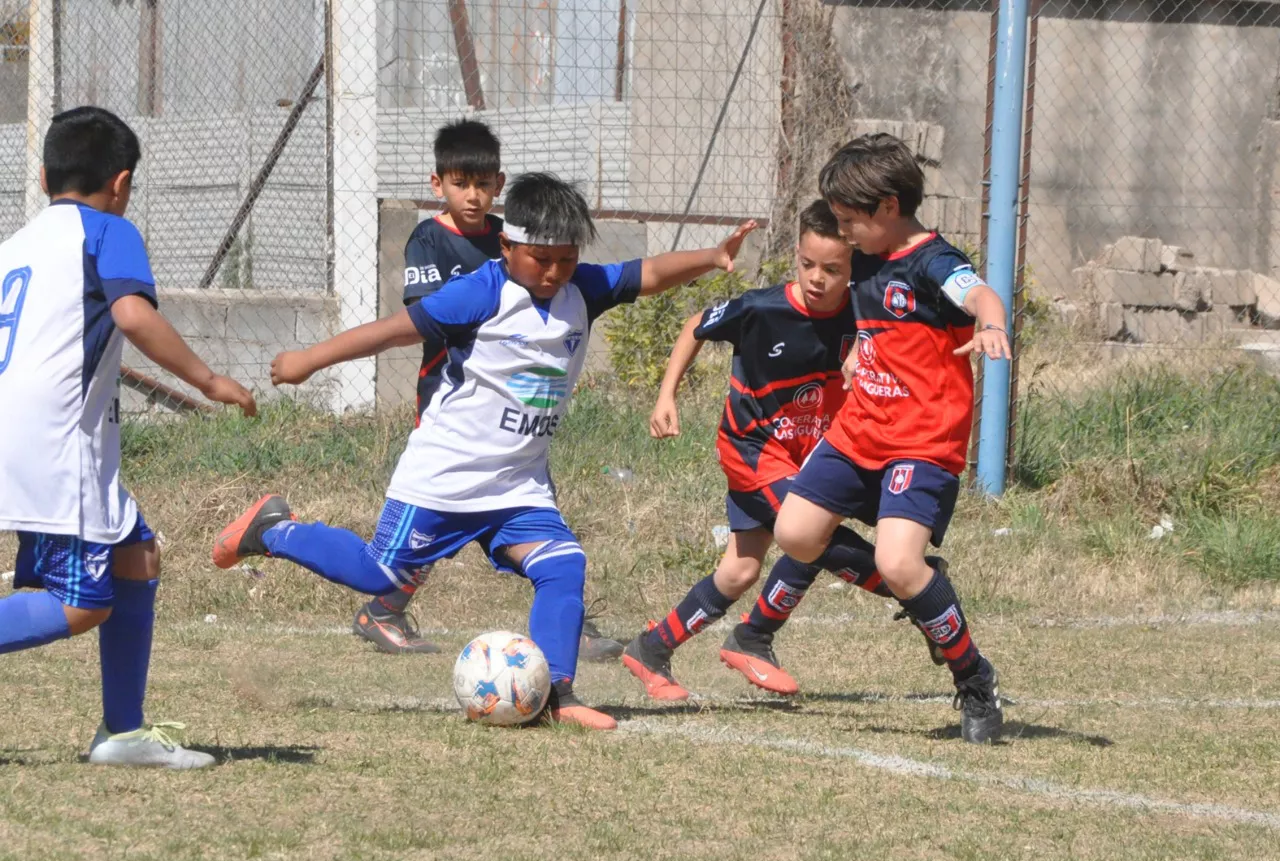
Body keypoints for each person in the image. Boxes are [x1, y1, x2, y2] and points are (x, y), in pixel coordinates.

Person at [213, 172, 756, 730]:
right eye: (540, 258)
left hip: (517, 486)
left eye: (566, 260)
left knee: (563, 565)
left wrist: (712, 255)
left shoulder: (581, 290)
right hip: (444, 476)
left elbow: (646, 274)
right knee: (380, 576)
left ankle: (557, 695)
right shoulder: (482, 291)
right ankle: (273, 529)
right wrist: (311, 358)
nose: (553, 272)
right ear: (506, 245)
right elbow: (394, 331)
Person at [0, 106, 256, 767]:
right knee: (83, 605)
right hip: (58, 445)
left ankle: (122, 732)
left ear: (43, 175)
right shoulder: (105, 231)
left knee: (136, 552)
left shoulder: (17, 246)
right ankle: (119, 731)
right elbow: (132, 313)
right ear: (121, 182)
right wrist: (208, 378)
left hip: (21, 431)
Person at [621, 200, 946, 701]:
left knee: (741, 569)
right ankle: (921, 599)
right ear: (795, 256)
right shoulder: (762, 308)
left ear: (854, 268)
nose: (817, 278)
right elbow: (694, 325)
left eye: (833, 269)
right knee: (811, 534)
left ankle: (652, 648)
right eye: (807, 264)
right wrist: (666, 395)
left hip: (812, 452)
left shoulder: (866, 309)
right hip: (752, 450)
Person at [352, 119, 623, 661]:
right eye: (460, 184)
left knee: (534, 506)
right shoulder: (430, 238)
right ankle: (383, 606)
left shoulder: (518, 234)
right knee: (439, 514)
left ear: (498, 184)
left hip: (515, 401)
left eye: (481, 184)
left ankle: (569, 619)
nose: (471, 196)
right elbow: (427, 313)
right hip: (453, 395)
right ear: (438, 185)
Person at [772, 133, 1008, 744]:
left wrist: (991, 324)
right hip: (857, 432)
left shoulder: (932, 262)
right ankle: (929, 595)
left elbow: (978, 293)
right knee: (795, 534)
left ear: (888, 208)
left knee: (896, 562)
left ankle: (975, 681)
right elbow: (870, 322)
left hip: (923, 442)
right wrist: (857, 353)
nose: (844, 233)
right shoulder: (865, 256)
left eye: (851, 221)